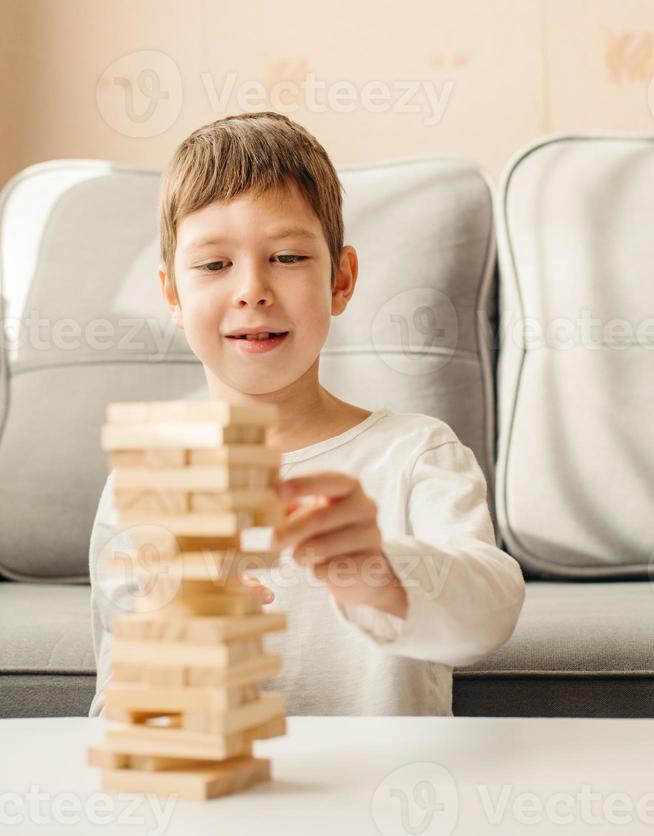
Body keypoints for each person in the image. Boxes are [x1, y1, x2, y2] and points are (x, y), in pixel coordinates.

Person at [88, 111, 525, 718]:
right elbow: (116, 703)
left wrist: (382, 573)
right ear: (173, 297)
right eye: (215, 265)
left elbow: (490, 614)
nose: (251, 289)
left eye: (288, 257)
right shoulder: (144, 483)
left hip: (383, 799)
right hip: (223, 809)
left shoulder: (416, 452)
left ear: (340, 280)